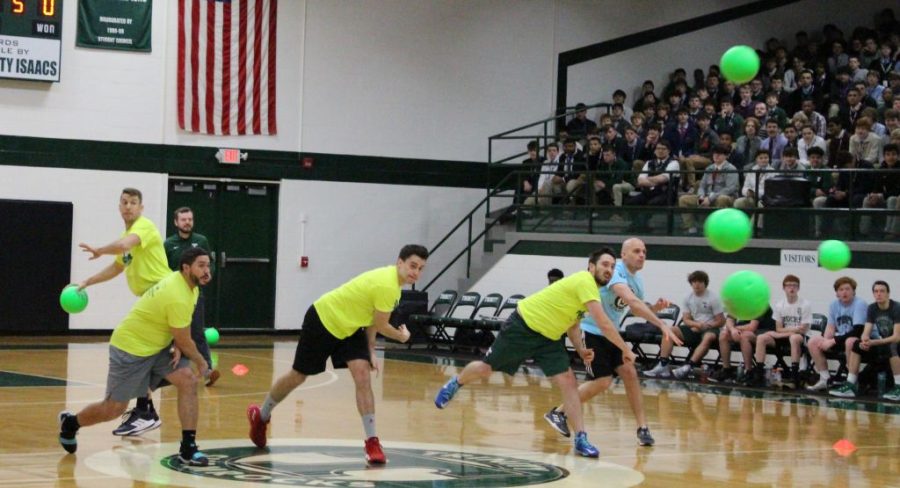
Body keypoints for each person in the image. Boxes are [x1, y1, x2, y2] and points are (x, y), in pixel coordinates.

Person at [434, 248, 634, 458]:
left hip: (549, 338)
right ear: (591, 266)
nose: (609, 270)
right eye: (605, 264)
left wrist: (581, 350)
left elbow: (573, 325)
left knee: (569, 381)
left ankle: (581, 439)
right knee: (485, 369)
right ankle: (455, 383)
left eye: (612, 266)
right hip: (523, 327)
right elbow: (603, 323)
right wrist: (625, 349)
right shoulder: (584, 280)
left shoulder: (590, 290)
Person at [247, 245, 429, 464]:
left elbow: (373, 320)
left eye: (420, 268)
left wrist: (370, 349)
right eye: (412, 266)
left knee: (362, 375)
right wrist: (402, 337)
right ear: (399, 262)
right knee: (299, 375)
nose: (416, 272)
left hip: (350, 329)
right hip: (324, 319)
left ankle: (372, 442)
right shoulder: (387, 284)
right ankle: (262, 415)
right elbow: (382, 324)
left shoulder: (395, 287)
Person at [58, 247, 212, 466]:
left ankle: (188, 448)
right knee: (113, 409)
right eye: (201, 266)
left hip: (157, 348)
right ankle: (71, 423)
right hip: (130, 349)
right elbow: (186, 339)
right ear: (186, 268)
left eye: (208, 265)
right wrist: (202, 361)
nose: (207, 271)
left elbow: (179, 331)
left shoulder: (191, 288)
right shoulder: (176, 293)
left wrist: (178, 343)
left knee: (187, 380)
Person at [542, 239, 681, 447]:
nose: (642, 255)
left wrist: (655, 309)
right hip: (590, 331)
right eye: (636, 251)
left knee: (630, 373)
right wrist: (661, 324)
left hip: (611, 334)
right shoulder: (615, 271)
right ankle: (559, 412)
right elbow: (631, 300)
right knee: (603, 381)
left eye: (644, 251)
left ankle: (642, 427)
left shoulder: (638, 281)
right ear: (623, 255)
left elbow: (633, 309)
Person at [75, 188, 172, 436]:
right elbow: (118, 267)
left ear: (141, 208)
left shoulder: (144, 227)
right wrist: (89, 281)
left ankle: (145, 410)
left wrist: (99, 249)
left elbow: (122, 246)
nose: (128, 206)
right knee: (148, 354)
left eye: (133, 203)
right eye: (125, 202)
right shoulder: (128, 234)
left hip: (163, 297)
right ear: (119, 206)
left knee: (171, 359)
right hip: (150, 302)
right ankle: (144, 410)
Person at [164, 207, 218, 386]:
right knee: (172, 334)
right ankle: (171, 372)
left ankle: (208, 371)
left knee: (197, 332)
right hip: (173, 297)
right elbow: (163, 270)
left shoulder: (201, 241)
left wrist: (207, 274)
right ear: (176, 222)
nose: (187, 222)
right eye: (183, 219)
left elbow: (209, 264)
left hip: (195, 295)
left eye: (190, 219)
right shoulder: (169, 244)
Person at [645, 270, 725, 378]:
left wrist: (706, 326)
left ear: (705, 283)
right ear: (691, 283)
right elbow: (686, 319)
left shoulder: (713, 298)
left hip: (711, 328)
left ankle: (688, 366)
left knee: (708, 337)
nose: (696, 284)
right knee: (669, 330)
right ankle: (663, 364)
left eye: (699, 282)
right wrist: (696, 325)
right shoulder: (688, 298)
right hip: (695, 327)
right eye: (694, 282)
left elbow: (721, 321)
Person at [829, 281, 900, 398]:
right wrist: (865, 341)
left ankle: (898, 387)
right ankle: (851, 385)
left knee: (892, 346)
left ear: (888, 294)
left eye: (882, 291)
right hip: (883, 343)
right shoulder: (872, 308)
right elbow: (866, 331)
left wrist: (873, 342)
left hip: (896, 343)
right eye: (876, 291)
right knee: (856, 344)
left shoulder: (896, 308)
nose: (879, 294)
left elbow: (896, 337)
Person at [807, 276, 868, 391]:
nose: (844, 292)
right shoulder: (833, 305)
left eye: (847, 289)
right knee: (813, 341)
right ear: (837, 293)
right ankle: (825, 379)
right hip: (842, 339)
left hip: (861, 340)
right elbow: (830, 327)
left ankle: (852, 383)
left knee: (851, 341)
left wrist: (832, 341)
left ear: (853, 291)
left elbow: (857, 331)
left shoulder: (860, 304)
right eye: (841, 289)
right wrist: (825, 341)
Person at [751, 275, 812, 388]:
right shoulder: (779, 305)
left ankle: (794, 375)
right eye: (789, 285)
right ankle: (759, 374)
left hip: (801, 337)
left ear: (798, 288)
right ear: (783, 288)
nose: (792, 288)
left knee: (794, 338)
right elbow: (778, 328)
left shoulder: (805, 304)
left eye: (794, 285)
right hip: (784, 336)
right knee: (761, 338)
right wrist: (788, 331)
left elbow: (802, 329)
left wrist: (783, 333)